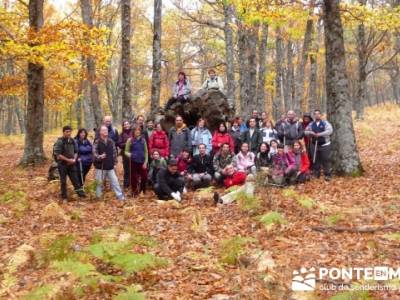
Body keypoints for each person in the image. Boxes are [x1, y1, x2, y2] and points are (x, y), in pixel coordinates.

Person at [53, 126, 86, 200]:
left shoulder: (72, 141)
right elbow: (58, 155)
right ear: (63, 132)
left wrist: (74, 159)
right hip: (62, 165)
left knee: (75, 180)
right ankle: (64, 197)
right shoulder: (60, 141)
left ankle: (81, 195)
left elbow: (76, 151)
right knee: (63, 181)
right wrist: (68, 160)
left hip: (72, 164)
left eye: (70, 131)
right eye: (67, 132)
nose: (68, 133)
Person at [93, 125, 124, 200]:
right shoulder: (97, 141)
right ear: (100, 132)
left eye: (106, 130)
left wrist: (115, 163)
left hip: (110, 166)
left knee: (115, 182)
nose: (105, 131)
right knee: (99, 183)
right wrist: (99, 156)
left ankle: (120, 196)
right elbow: (94, 153)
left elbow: (114, 153)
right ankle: (98, 197)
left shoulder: (111, 141)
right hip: (100, 166)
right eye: (103, 130)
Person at [304, 109, 333, 181]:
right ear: (314, 116)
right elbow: (305, 132)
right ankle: (316, 174)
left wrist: (319, 134)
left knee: (325, 159)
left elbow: (330, 131)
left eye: (318, 114)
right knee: (315, 160)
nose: (317, 115)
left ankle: (327, 174)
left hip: (325, 144)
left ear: (320, 115)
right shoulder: (311, 124)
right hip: (314, 145)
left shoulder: (325, 123)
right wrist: (311, 133)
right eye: (315, 114)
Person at [125, 126, 148, 196]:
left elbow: (146, 152)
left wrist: (145, 162)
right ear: (133, 131)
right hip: (133, 161)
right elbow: (126, 151)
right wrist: (129, 154)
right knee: (134, 178)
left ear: (140, 132)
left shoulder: (143, 140)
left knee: (144, 176)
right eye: (136, 130)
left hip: (142, 161)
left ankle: (142, 191)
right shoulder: (130, 140)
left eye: (139, 130)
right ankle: (134, 192)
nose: (137, 132)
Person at [117, 120, 133, 188]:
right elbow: (119, 144)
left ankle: (133, 183)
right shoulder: (121, 134)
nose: (126, 125)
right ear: (123, 126)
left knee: (133, 168)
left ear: (129, 125)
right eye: (125, 124)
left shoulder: (133, 132)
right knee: (126, 168)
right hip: (125, 153)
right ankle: (126, 184)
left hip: (133, 152)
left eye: (127, 124)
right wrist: (127, 143)